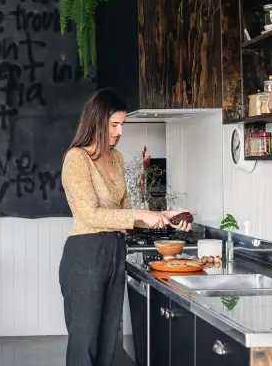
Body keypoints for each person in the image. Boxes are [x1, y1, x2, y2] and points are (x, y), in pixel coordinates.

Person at [59, 88, 191, 366]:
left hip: (114, 253)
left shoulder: (116, 159)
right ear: (96, 122)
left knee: (108, 344)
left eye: (122, 124)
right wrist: (140, 213)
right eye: (114, 125)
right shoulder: (76, 159)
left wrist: (163, 215)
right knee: (85, 347)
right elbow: (91, 215)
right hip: (85, 256)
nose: (119, 132)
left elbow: (124, 214)